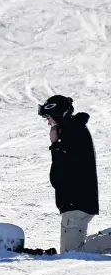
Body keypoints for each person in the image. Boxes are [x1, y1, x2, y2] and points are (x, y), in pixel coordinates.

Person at [38, 95, 99, 253]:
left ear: (58, 115)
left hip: (76, 203)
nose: (48, 122)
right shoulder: (73, 130)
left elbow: (58, 176)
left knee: (72, 253)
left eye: (49, 118)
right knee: (71, 252)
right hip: (74, 203)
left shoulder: (71, 133)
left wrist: (55, 145)